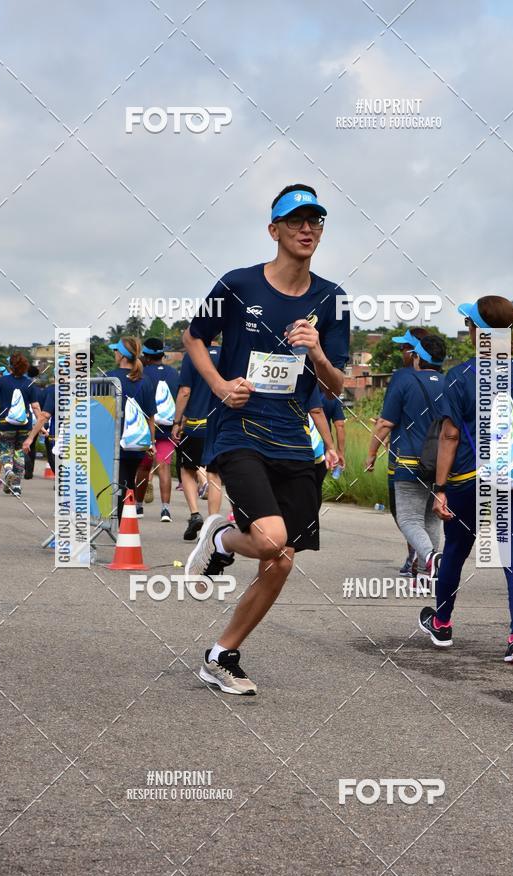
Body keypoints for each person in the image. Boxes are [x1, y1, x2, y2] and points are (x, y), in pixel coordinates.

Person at [183, 183, 349, 695]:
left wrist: (318, 352)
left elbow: (336, 384)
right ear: (273, 229)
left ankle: (222, 653)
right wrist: (217, 385)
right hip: (238, 428)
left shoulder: (332, 299)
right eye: (297, 221)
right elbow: (194, 337)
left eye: (315, 221)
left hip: (293, 438)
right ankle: (222, 537)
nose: (307, 229)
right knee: (272, 538)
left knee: (281, 558)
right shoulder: (238, 286)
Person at [418, 296, 513, 664]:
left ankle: (441, 623)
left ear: (479, 333)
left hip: (470, 479)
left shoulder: (459, 377)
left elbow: (450, 437)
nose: (468, 330)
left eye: (470, 325)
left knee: (455, 550)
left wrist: (440, 488)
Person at [366, 333, 446, 583]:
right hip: (440, 462)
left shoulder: (404, 380)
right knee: (431, 519)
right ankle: (425, 576)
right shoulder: (449, 382)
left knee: (409, 519)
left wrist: (370, 455)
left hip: (410, 461)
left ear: (418, 357)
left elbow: (385, 423)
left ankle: (432, 558)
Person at [172, 342, 223, 540]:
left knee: (187, 469)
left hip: (196, 424)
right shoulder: (227, 353)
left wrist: (177, 421)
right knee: (214, 474)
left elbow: (185, 391)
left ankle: (194, 514)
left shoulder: (192, 355)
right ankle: (213, 524)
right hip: (221, 424)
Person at [106, 337, 156, 522]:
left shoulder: (109, 378)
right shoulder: (146, 381)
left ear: (121, 354)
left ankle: (122, 527)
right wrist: (152, 442)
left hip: (115, 441)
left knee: (120, 483)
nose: (114, 354)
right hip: (138, 442)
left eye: (115, 351)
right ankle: (127, 523)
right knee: (129, 483)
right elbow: (151, 416)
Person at [133, 337, 182, 522]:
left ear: (146, 355)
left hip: (147, 428)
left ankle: (138, 506)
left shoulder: (142, 374)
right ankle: (165, 510)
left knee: (144, 467)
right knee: (165, 467)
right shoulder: (173, 373)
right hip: (169, 428)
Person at [0, 353, 38, 497]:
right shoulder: (29, 383)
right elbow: (36, 407)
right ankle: (17, 487)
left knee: (6, 450)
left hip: (6, 423)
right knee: (19, 453)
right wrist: (41, 424)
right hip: (24, 425)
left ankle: (8, 471)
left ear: (10, 367)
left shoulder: (3, 381)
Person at [319, 388, 346, 470]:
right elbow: (340, 426)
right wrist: (340, 452)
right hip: (323, 448)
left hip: (298, 447)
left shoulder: (300, 390)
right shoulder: (332, 396)